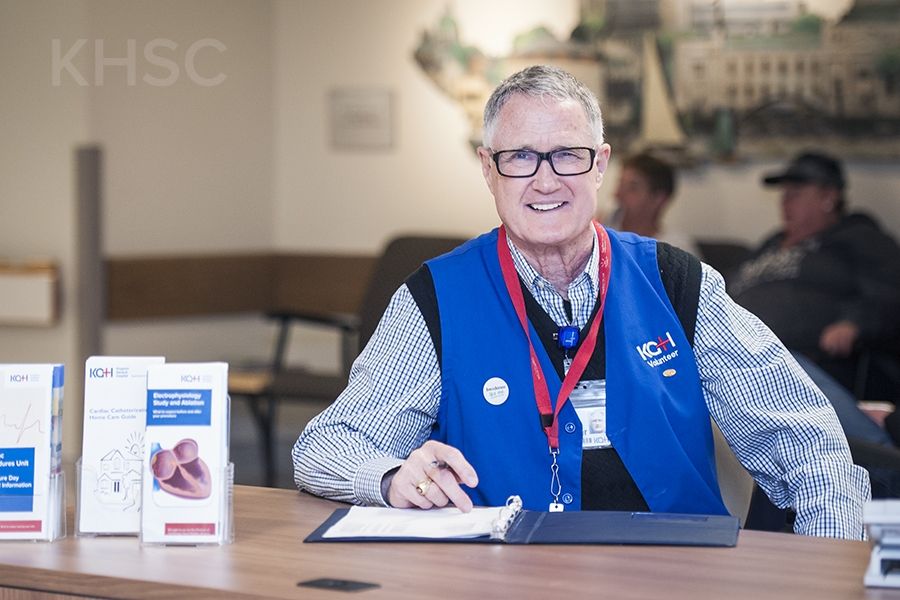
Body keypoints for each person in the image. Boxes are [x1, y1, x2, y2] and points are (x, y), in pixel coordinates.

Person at [292, 66, 869, 539]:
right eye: (519, 157)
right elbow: (327, 445)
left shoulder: (676, 282)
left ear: (600, 165)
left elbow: (808, 446)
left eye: (567, 155)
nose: (546, 181)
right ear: (488, 170)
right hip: (497, 574)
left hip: (676, 575)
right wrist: (391, 475)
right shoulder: (436, 297)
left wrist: (828, 571)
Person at [729, 152, 900, 395]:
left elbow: (891, 289)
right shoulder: (770, 244)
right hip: (738, 360)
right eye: (784, 194)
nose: (784, 202)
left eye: (795, 194)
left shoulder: (859, 238)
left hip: (805, 366)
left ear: (828, 197)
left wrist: (855, 323)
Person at [605, 152, 700, 256]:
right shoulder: (601, 234)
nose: (617, 194)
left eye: (632, 188)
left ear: (658, 199)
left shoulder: (677, 250)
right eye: (620, 184)